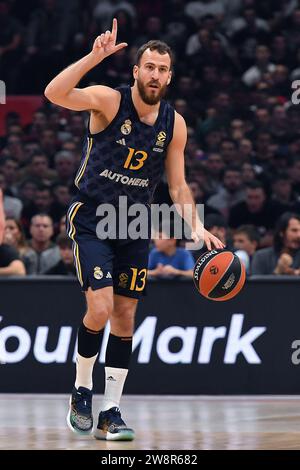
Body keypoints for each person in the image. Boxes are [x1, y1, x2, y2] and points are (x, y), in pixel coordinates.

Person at [44, 19, 224, 441]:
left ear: (169, 76)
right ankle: (81, 390)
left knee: (125, 318)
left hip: (133, 222)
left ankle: (111, 412)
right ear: (136, 71)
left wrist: (195, 226)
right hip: (92, 217)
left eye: (162, 69)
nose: (155, 75)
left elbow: (177, 185)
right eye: (149, 67)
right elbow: (53, 94)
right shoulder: (108, 100)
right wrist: (93, 57)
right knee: (101, 310)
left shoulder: (174, 125)